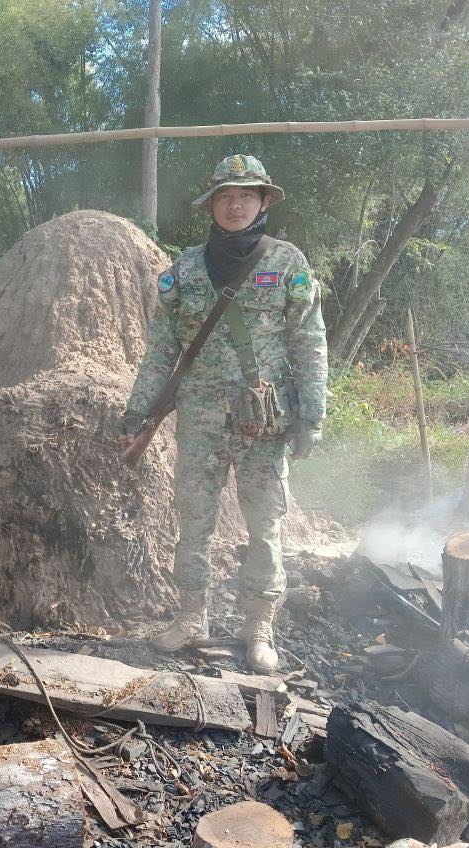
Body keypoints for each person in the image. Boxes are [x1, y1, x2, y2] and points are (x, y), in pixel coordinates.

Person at [119, 154, 327, 674]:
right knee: (193, 522)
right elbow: (160, 351)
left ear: (263, 202)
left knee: (265, 527)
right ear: (211, 205)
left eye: (246, 196)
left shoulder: (287, 263)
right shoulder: (184, 270)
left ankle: (259, 628)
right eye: (226, 197)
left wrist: (312, 416)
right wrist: (136, 413)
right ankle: (192, 617)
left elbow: (310, 341)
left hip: (264, 421)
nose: (236, 205)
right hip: (200, 419)